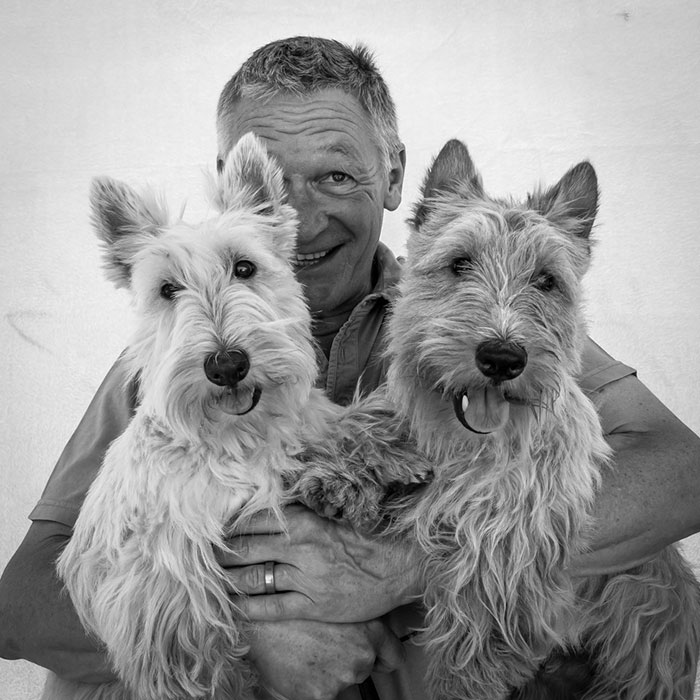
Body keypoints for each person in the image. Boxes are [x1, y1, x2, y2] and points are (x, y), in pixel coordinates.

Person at [1, 36, 699, 700]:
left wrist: (402, 566)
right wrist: (250, 639)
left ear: (393, 176)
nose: (297, 218)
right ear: (234, 184)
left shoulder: (475, 308)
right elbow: (19, 605)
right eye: (273, 182)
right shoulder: (174, 362)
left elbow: (682, 473)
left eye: (335, 176)